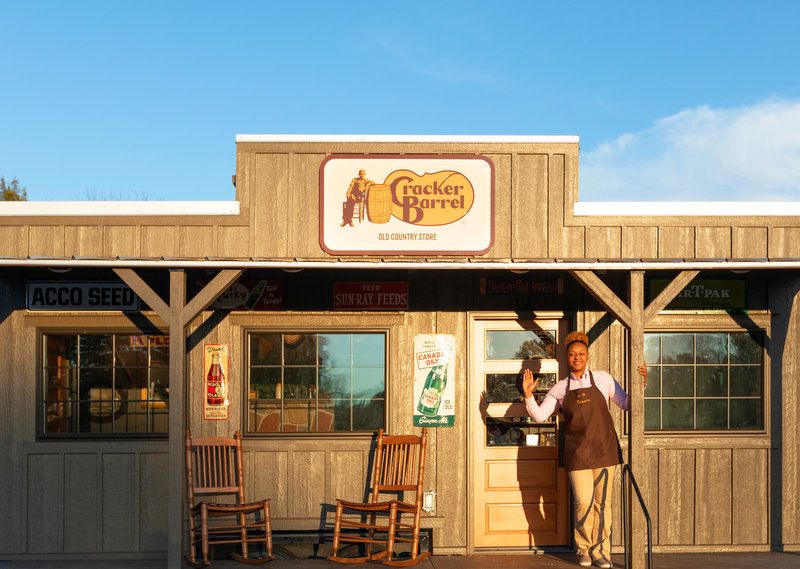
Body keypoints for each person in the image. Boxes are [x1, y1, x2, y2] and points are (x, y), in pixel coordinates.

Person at [522, 331, 646, 569]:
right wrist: (528, 395)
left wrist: (642, 383)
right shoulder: (560, 388)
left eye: (581, 353)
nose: (577, 358)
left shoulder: (603, 379)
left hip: (605, 451)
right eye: (572, 354)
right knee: (583, 503)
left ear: (588, 355)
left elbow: (628, 404)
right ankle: (584, 549)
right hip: (578, 455)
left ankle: (601, 552)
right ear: (567, 358)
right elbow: (539, 415)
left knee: (604, 504)